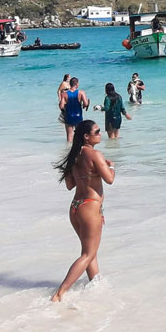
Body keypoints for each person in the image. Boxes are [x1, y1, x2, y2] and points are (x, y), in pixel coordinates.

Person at [52, 120, 114, 302]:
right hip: (90, 208)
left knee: (90, 253)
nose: (100, 133)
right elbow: (109, 179)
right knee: (87, 255)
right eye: (97, 131)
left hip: (75, 207)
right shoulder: (95, 155)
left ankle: (97, 287)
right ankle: (59, 294)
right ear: (86, 136)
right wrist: (111, 166)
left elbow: (70, 185)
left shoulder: (74, 156)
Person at [60, 77, 89, 141]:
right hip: (78, 116)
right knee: (79, 135)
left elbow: (61, 106)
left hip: (69, 116)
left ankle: (69, 149)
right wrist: (84, 105)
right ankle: (79, 149)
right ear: (76, 84)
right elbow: (86, 104)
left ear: (70, 84)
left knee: (69, 136)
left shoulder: (64, 94)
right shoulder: (81, 92)